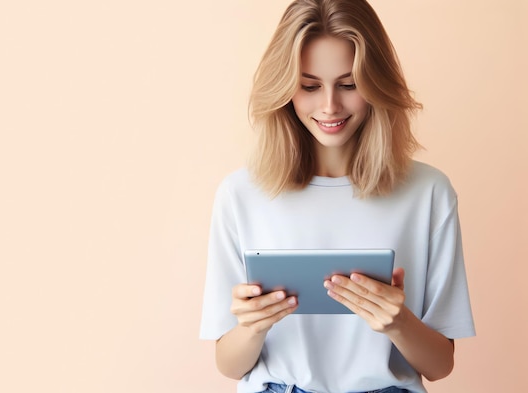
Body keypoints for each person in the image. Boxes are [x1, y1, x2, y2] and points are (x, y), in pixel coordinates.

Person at [199, 0, 476, 392]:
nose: (329, 106)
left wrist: (398, 322)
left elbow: (441, 364)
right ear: (284, 87)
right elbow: (228, 365)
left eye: (348, 84)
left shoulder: (428, 193)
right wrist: (252, 326)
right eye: (309, 86)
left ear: (376, 82)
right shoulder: (240, 195)